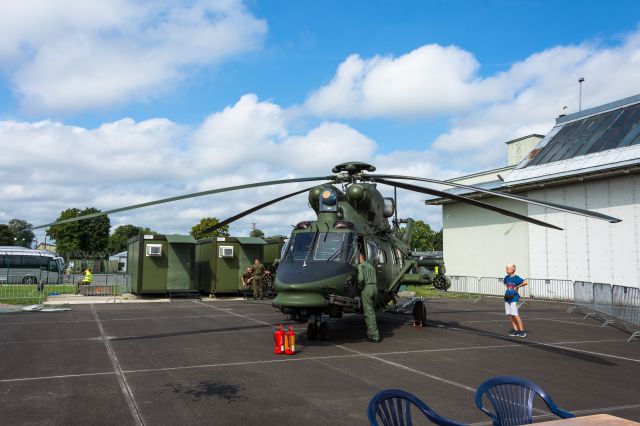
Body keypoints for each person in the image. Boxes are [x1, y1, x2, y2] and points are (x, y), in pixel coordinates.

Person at [357, 253, 380, 343]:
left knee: (369, 313)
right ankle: (371, 333)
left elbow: (361, 279)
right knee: (372, 312)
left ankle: (374, 336)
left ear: (360, 258)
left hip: (367, 288)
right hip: (374, 288)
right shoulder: (371, 266)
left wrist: (359, 286)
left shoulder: (361, 266)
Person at [504, 264, 528, 337]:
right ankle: (516, 330)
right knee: (510, 314)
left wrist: (517, 287)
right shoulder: (506, 278)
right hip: (507, 297)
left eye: (508, 269)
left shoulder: (516, 278)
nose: (506, 270)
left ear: (512, 270)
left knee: (515, 314)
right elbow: (506, 285)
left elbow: (525, 282)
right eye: (506, 268)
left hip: (515, 298)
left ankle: (522, 331)